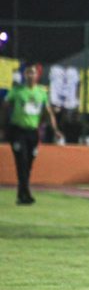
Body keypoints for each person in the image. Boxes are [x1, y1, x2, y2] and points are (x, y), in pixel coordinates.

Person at [1, 64, 63, 204]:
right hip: (18, 130)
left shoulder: (41, 92)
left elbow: (47, 112)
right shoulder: (17, 91)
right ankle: (26, 193)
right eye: (28, 73)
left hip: (33, 132)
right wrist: (3, 126)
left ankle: (21, 194)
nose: (31, 75)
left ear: (37, 75)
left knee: (28, 163)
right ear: (24, 75)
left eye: (33, 73)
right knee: (21, 161)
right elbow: (5, 107)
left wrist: (55, 130)